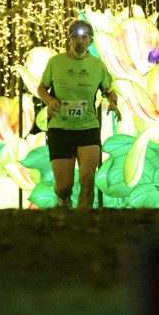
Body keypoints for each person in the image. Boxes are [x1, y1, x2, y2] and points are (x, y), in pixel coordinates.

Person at [38, 18, 118, 209]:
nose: (80, 41)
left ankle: (84, 220)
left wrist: (113, 103)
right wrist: (50, 101)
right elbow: (41, 88)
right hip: (60, 129)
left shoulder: (97, 66)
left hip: (87, 128)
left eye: (84, 37)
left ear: (90, 41)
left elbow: (109, 90)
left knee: (87, 179)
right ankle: (63, 201)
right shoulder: (55, 62)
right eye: (75, 37)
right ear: (69, 40)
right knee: (64, 187)